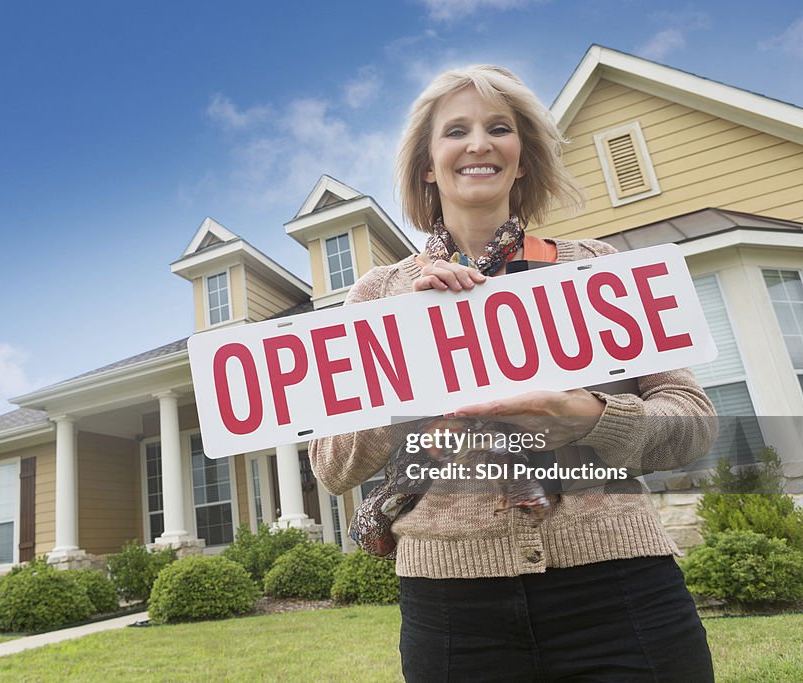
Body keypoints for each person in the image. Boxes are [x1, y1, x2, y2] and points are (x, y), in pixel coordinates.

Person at [308, 65, 719, 682]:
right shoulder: (378, 296)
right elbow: (332, 464)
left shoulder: (595, 271)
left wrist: (589, 415)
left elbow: (694, 425)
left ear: (521, 159)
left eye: (499, 128)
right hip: (453, 611)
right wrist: (415, 353)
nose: (479, 143)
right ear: (427, 164)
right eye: (456, 131)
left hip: (621, 589)